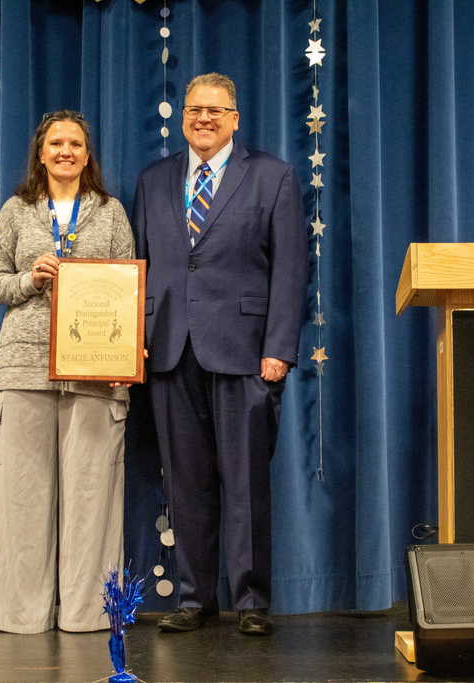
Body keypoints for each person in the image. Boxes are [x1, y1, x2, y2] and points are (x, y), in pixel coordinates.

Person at [132, 74, 308, 635]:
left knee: (246, 484)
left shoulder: (273, 176)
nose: (203, 119)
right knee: (186, 485)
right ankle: (194, 599)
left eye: (215, 110)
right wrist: (133, 338)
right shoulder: (153, 181)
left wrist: (278, 348)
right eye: (194, 110)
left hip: (246, 354)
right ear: (182, 117)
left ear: (235, 118)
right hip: (168, 352)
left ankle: (251, 602)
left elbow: (291, 270)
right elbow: (137, 269)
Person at [0, 110, 133, 633]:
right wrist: (29, 279)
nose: (65, 151)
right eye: (56, 144)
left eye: (75, 144)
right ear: (41, 154)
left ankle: (90, 615)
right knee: (21, 497)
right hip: (24, 369)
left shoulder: (111, 213)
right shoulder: (15, 210)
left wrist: (125, 358)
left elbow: (128, 288)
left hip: (95, 373)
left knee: (93, 498)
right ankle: (20, 615)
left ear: (87, 156)